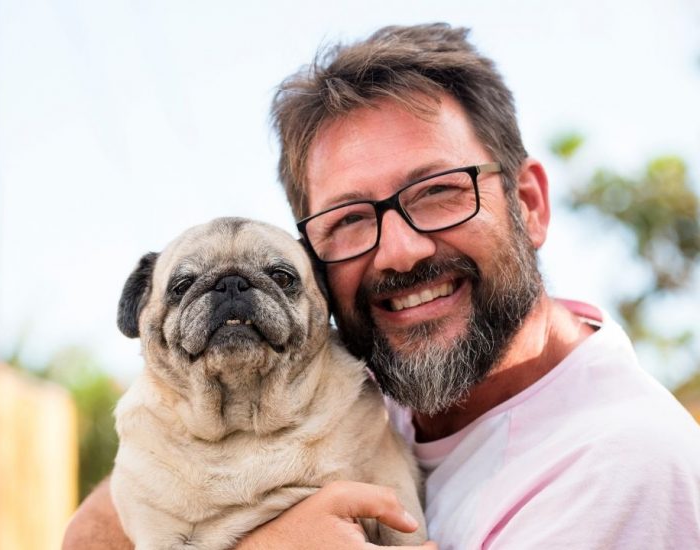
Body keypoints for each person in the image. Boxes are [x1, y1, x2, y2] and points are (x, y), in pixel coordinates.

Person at [63, 23, 700, 549]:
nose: (399, 251)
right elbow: (86, 536)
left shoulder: (622, 469)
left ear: (528, 202)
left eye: (440, 192)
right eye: (349, 220)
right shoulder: (370, 376)